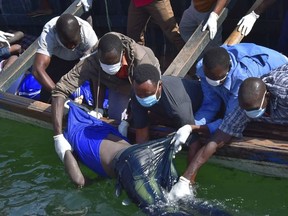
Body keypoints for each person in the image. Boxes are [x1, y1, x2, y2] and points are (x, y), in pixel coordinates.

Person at [167, 43, 288, 200]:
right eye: (247, 112)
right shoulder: (245, 104)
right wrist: (185, 178)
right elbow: (220, 137)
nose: (250, 115)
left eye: (254, 111)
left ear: (268, 97)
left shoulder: (277, 91)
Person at [57, 101, 180, 214]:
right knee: (184, 201)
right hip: (150, 152)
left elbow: (79, 181)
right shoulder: (99, 125)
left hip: (131, 164)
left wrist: (66, 152)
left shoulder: (71, 137)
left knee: (163, 211)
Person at [51, 32, 160, 150]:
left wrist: (131, 118)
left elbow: (145, 91)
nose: (109, 67)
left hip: (145, 80)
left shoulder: (140, 59)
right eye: (105, 63)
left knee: (148, 113)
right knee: (115, 118)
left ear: (122, 53)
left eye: (113, 63)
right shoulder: (92, 59)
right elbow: (61, 89)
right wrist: (58, 136)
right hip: (116, 84)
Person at [129, 64, 203, 144]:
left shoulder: (177, 104)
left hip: (199, 111)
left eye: (147, 94)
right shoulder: (136, 92)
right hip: (168, 114)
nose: (143, 98)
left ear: (159, 86)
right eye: (140, 95)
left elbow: (194, 140)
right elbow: (141, 133)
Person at [32, 13, 98, 103]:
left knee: (93, 74)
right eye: (67, 43)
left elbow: (95, 72)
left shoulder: (88, 35)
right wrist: (59, 94)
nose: (71, 46)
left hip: (79, 60)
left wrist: (98, 108)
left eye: (74, 42)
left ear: (80, 30)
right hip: (56, 60)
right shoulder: (49, 32)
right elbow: (37, 70)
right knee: (48, 95)